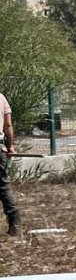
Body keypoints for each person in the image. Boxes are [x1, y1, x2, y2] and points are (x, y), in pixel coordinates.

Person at [0, 88, 18, 235]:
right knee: (3, 187)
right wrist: (10, 146)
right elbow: (8, 125)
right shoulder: (1, 98)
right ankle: (14, 224)